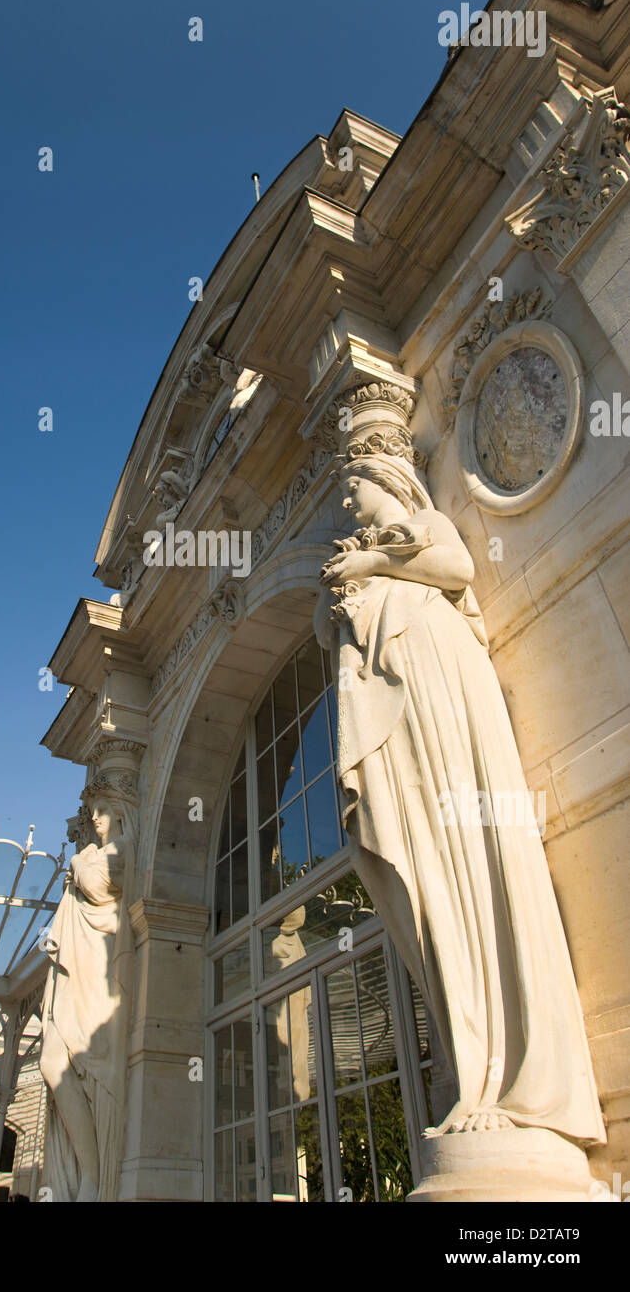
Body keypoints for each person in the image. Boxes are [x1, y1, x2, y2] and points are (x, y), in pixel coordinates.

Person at [315, 451, 605, 1144]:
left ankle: (506, 1072)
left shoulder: (426, 524)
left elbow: (457, 570)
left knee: (467, 859)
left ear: (385, 481)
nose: (348, 503)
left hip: (439, 698)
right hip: (396, 723)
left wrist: (373, 567)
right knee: (416, 868)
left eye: (353, 487)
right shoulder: (361, 555)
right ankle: (470, 1061)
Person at [38, 778, 136, 1200]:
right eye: (90, 810)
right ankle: (86, 1175)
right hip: (75, 965)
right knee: (49, 1060)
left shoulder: (127, 846)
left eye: (101, 809)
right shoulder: (94, 852)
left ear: (120, 809)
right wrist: (85, 858)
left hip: (100, 967)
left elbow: (97, 887)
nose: (94, 817)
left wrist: (80, 862)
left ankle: (94, 1178)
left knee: (78, 1065)